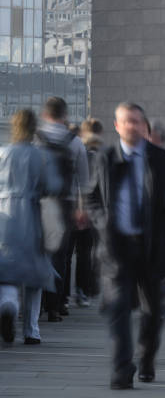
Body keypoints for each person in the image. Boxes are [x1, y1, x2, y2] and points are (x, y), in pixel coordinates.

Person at [87, 102, 165, 389]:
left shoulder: (162, 159)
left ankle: (146, 358)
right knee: (118, 308)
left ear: (145, 127)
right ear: (117, 126)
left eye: (137, 121)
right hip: (116, 247)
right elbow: (93, 197)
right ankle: (121, 369)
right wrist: (102, 220)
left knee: (153, 311)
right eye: (126, 121)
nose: (132, 126)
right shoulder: (105, 158)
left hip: (151, 247)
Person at [0, 110, 62, 345]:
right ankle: (31, 330)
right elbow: (53, 185)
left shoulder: (2, 153)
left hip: (4, 216)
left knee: (6, 269)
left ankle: (8, 305)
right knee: (35, 272)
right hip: (31, 214)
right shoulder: (41, 155)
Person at [37, 96, 89, 322]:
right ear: (65, 115)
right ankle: (57, 305)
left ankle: (37, 303)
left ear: (45, 114)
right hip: (65, 202)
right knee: (62, 255)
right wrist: (81, 208)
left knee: (39, 252)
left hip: (40, 202)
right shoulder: (76, 142)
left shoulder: (35, 139)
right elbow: (84, 181)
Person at [62, 118, 105, 308]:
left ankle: (62, 296)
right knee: (85, 252)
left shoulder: (70, 150)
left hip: (69, 206)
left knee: (66, 254)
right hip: (88, 209)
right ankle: (84, 291)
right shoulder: (100, 154)